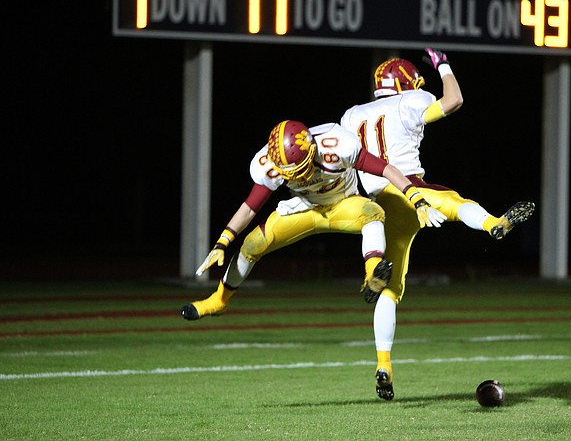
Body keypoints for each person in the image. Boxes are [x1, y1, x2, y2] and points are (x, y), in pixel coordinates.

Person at [339, 49, 535, 401]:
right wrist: (443, 63)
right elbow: (454, 100)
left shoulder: (352, 115)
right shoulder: (409, 100)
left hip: (375, 204)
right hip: (410, 190)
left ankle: (384, 363)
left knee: (390, 289)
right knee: (455, 203)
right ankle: (493, 223)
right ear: (405, 83)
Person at [180, 119, 447, 323]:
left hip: (343, 203)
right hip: (304, 209)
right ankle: (218, 300)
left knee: (372, 212)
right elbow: (250, 207)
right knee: (251, 245)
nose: (298, 177)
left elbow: (387, 169)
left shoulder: (338, 145)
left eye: (301, 169)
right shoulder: (269, 162)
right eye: (290, 173)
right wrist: (223, 241)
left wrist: (416, 197)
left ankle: (373, 275)